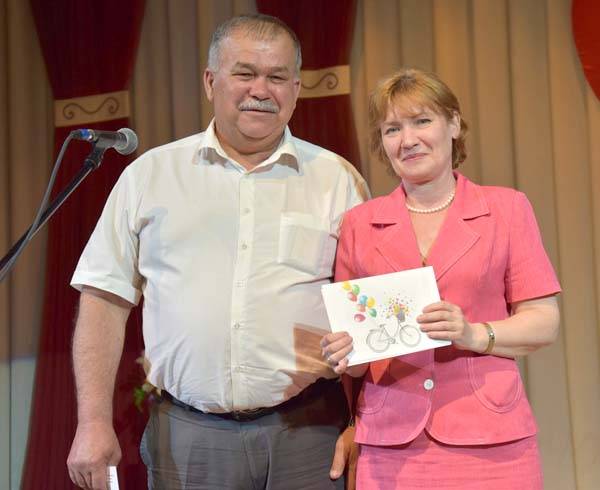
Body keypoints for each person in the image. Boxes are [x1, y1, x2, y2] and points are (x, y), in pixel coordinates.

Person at [66, 14, 368, 490]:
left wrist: (362, 421)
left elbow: (367, 309)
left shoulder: (338, 180)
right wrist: (92, 422)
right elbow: (104, 299)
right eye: (245, 73)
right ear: (211, 81)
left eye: (277, 77)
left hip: (311, 432)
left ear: (296, 89)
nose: (260, 90)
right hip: (188, 434)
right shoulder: (150, 176)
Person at [320, 68, 561, 489]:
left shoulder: (506, 209)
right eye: (392, 129)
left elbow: (544, 322)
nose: (408, 139)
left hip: (491, 438)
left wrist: (473, 333)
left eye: (422, 121)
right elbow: (356, 357)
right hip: (390, 445)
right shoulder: (359, 224)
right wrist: (345, 354)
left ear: (453, 124)